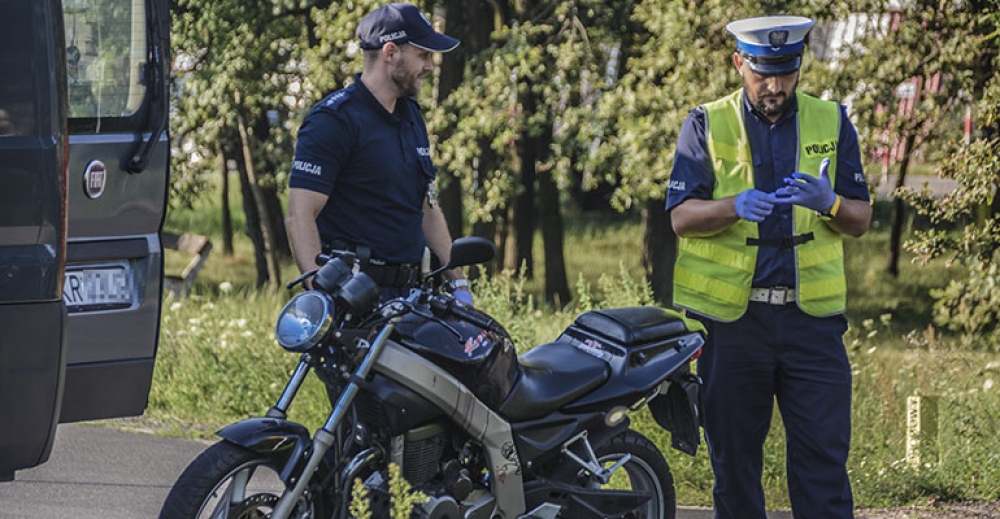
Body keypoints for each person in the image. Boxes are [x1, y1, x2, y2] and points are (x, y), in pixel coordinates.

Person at [666, 15, 872, 519]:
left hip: (812, 327)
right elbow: (680, 217)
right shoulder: (705, 123)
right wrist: (731, 206)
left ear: (801, 65)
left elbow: (861, 218)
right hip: (735, 328)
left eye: (786, 70)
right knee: (734, 470)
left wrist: (829, 204)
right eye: (763, 73)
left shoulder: (833, 120)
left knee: (823, 468)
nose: (775, 85)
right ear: (739, 63)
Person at [285, 3, 472, 303]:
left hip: (413, 299)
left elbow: (427, 206)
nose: (430, 66)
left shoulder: (410, 115)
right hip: (355, 300)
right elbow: (300, 216)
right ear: (390, 53)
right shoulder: (333, 121)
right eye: (423, 55)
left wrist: (459, 285)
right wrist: (320, 300)